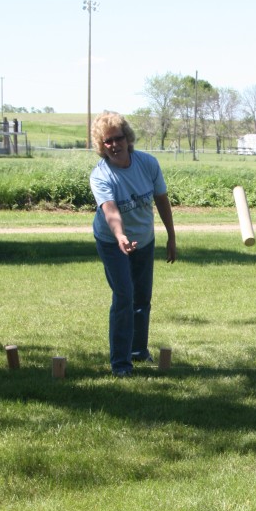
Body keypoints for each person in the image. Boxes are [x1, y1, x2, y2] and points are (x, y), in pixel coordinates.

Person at [90, 111, 176, 377]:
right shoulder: (101, 175)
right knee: (124, 296)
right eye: (107, 142)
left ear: (128, 138)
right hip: (111, 240)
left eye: (118, 138)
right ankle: (120, 363)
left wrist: (171, 236)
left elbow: (161, 200)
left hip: (144, 239)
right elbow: (110, 209)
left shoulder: (147, 164)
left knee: (142, 298)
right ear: (101, 145)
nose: (114, 145)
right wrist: (120, 236)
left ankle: (139, 352)